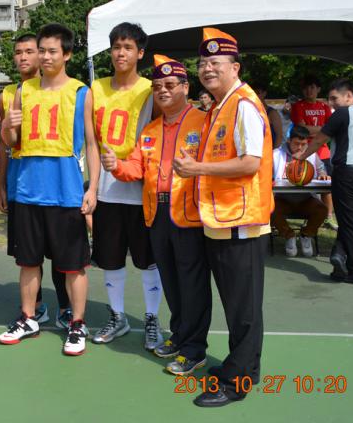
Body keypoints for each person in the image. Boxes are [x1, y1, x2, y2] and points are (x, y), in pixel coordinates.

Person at [172, 28, 273, 407]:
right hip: (222, 221)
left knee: (243, 309)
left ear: (235, 67)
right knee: (236, 304)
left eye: (216, 62)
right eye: (203, 63)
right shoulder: (221, 106)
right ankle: (243, 366)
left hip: (241, 223)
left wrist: (197, 169)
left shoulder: (243, 105)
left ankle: (236, 383)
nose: (207, 68)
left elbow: (250, 162)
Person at [102, 54, 212, 376]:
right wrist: (116, 166)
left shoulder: (203, 122)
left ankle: (194, 350)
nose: (163, 90)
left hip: (189, 213)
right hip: (156, 214)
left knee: (192, 284)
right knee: (172, 281)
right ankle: (179, 336)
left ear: (185, 87)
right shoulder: (150, 130)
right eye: (157, 86)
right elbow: (136, 168)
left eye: (170, 84)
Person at [0, 23, 99, 356]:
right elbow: (12, 142)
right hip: (27, 191)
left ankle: (77, 323)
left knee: (73, 265)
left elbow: (92, 145)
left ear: (66, 54)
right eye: (41, 50)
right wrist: (7, 128)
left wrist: (93, 189)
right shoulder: (23, 91)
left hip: (65, 193)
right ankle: (28, 318)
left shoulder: (81, 92)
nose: (44, 56)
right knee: (28, 262)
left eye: (52, 51)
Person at [88, 22, 163, 351]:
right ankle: (117, 316)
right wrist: (92, 186)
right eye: (117, 47)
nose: (121, 53)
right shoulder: (96, 87)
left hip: (141, 187)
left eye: (128, 47)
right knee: (110, 258)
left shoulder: (151, 89)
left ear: (140, 53)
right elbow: (91, 142)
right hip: (107, 189)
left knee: (148, 260)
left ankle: (151, 318)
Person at [0, 33, 71, 328]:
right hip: (20, 184)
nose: (24, 57)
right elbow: (4, 143)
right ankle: (35, 307)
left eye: (29, 51)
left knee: (60, 252)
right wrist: (1, 184)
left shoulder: (60, 89)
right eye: (18, 52)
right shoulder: (7, 94)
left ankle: (65, 306)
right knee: (29, 253)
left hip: (54, 185)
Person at [293, 79, 353, 285]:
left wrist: (301, 157)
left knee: (350, 224)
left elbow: (320, 139)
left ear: (348, 95)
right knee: (351, 220)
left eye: (334, 99)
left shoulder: (343, 113)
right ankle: (338, 255)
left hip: (348, 173)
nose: (331, 104)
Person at [271, 125, 328, 257]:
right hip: (282, 199)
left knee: (322, 210)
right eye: (296, 143)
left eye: (303, 144)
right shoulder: (276, 154)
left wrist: (323, 174)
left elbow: (321, 169)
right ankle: (289, 235)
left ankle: (306, 235)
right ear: (289, 140)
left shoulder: (312, 155)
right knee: (270, 209)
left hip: (306, 199)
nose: (300, 148)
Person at [292, 75, 336, 229]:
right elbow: (303, 130)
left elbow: (331, 129)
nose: (308, 90)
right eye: (305, 88)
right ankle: (310, 214)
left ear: (318, 89)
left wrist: (319, 130)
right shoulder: (298, 106)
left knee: (326, 185)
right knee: (304, 182)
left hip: (323, 152)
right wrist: (323, 129)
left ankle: (328, 217)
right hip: (304, 152)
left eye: (312, 87)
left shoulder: (324, 107)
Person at [253, 81, 283, 148]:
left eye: (258, 92)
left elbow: (279, 136)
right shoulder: (249, 111)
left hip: (269, 150)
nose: (255, 95)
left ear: (264, 93)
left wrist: (274, 152)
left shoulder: (272, 113)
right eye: (253, 92)